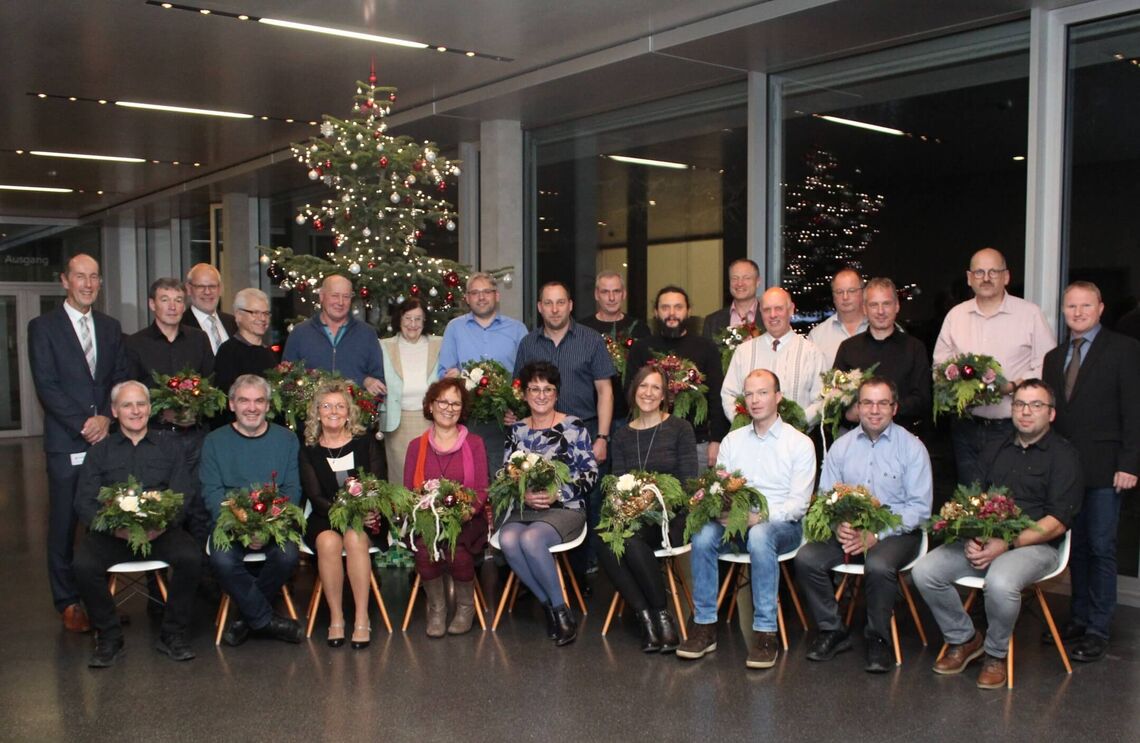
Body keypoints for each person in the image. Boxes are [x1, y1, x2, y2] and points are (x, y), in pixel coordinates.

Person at [912, 379, 1082, 689]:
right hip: (987, 539)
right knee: (925, 571)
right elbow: (973, 500)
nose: (1026, 412)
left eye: (1036, 405)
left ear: (1051, 413)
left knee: (1000, 582)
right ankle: (964, 638)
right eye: (1020, 404)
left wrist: (1008, 543)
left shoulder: (1064, 455)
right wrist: (973, 536)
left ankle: (995, 654)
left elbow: (1057, 522)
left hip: (1035, 546)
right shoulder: (995, 448)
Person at [678, 369, 816, 669]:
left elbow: (798, 505)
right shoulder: (733, 441)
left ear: (778, 397)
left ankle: (765, 632)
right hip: (736, 523)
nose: (755, 400)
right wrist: (722, 507)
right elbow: (721, 486)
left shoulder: (800, 443)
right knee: (702, 533)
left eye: (763, 393)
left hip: (782, 527)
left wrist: (759, 517)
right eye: (749, 394)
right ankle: (704, 625)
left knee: (760, 534)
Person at [794, 377, 933, 672]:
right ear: (857, 407)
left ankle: (878, 639)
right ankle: (832, 630)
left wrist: (877, 534)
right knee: (806, 558)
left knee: (879, 565)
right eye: (867, 403)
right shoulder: (841, 447)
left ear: (894, 408)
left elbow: (920, 510)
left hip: (897, 532)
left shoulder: (912, 448)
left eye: (882, 403)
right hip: (849, 530)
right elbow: (825, 497)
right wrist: (838, 524)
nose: (874, 410)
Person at [28, 253, 130, 632]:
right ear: (64, 281)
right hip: (66, 441)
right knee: (64, 524)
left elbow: (119, 377)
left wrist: (106, 417)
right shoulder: (43, 327)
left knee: (103, 522)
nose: (88, 284)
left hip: (105, 440)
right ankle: (68, 603)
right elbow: (47, 385)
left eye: (94, 277)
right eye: (80, 277)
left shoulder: (110, 327)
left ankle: (99, 603)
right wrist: (83, 424)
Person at [1041, 281, 1140, 662]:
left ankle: (1098, 628)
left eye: (1086, 306)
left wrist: (1129, 463)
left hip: (1106, 468)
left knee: (1101, 548)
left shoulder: (1124, 349)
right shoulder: (1054, 357)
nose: (1078, 313)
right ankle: (1079, 618)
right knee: (1077, 547)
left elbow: (1134, 410)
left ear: (1100, 308)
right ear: (1063, 311)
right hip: (1067, 472)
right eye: (1071, 306)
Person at [72, 381, 203, 667]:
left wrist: (162, 524)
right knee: (82, 566)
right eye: (127, 405)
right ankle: (109, 637)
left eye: (141, 404)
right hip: (113, 534)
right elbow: (84, 502)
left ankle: (172, 634)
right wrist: (114, 529)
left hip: (161, 532)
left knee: (192, 558)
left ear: (150, 408)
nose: (135, 411)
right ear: (114, 411)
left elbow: (183, 494)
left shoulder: (170, 447)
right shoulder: (99, 452)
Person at [933, 247, 1056, 485]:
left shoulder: (1029, 314)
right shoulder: (956, 316)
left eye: (993, 272)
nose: (986, 278)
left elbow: (1047, 364)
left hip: (1013, 427)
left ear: (1006, 276)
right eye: (979, 272)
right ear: (969, 278)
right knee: (971, 497)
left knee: (1010, 498)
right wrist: (956, 389)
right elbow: (940, 366)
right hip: (966, 427)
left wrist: (1013, 386)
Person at [596, 365, 697, 652]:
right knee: (603, 538)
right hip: (634, 515)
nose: (648, 393)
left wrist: (654, 500)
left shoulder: (680, 428)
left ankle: (662, 616)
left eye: (655, 388)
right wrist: (626, 503)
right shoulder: (622, 435)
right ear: (634, 391)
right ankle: (647, 618)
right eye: (643, 386)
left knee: (629, 540)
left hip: (670, 516)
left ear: (664, 395)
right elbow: (617, 481)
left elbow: (688, 484)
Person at [498, 361, 599, 646]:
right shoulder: (516, 430)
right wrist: (523, 495)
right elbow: (505, 475)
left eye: (548, 389)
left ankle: (561, 611)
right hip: (526, 507)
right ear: (525, 394)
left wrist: (559, 493)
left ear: (557, 394)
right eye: (534, 389)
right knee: (507, 539)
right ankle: (548, 605)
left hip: (566, 507)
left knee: (531, 539)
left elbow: (591, 474)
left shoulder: (573, 426)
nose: (541, 395)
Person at [200, 374, 305, 646]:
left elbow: (292, 490)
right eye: (244, 400)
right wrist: (243, 528)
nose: (252, 407)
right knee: (222, 561)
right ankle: (266, 621)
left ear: (268, 405)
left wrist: (266, 528)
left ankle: (246, 620)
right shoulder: (214, 441)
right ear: (232, 404)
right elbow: (212, 493)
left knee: (288, 556)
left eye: (259, 401)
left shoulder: (286, 439)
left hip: (275, 523)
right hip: (229, 524)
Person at [300, 380, 388, 649]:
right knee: (328, 542)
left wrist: (365, 511)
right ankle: (336, 617)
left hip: (367, 514)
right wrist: (345, 514)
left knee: (354, 537)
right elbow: (315, 495)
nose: (333, 411)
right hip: (325, 515)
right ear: (317, 412)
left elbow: (378, 483)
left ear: (349, 412)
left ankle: (361, 617)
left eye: (340, 406)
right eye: (326, 406)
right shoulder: (309, 449)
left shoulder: (366, 442)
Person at [403, 378, 490, 637]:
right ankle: (437, 609)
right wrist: (428, 514)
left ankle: (465, 608)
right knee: (425, 547)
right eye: (443, 402)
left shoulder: (475, 443)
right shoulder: (415, 446)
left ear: (462, 409)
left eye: (455, 403)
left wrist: (466, 512)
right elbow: (409, 491)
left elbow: (482, 489)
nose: (449, 408)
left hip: (467, 518)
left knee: (457, 548)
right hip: (427, 517)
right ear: (430, 405)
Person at [125, 277, 215, 503]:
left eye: (178, 300)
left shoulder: (199, 339)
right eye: (165, 300)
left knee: (197, 502)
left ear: (184, 306)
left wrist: (197, 409)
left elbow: (212, 382)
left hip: (196, 436)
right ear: (152, 304)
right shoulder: (135, 344)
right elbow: (129, 391)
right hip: (157, 436)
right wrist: (161, 413)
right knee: (160, 501)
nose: (172, 306)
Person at [626, 285, 729, 468]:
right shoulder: (641, 349)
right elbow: (630, 395)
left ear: (689, 311)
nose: (672, 313)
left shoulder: (706, 348)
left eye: (678, 307)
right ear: (656, 312)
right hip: (649, 441)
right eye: (665, 307)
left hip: (697, 443)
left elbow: (716, 396)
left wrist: (716, 440)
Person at [436, 272, 527, 476]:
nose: (481, 297)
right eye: (475, 293)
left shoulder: (517, 330)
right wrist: (453, 378)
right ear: (467, 298)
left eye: (487, 291)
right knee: (467, 476)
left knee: (503, 478)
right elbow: (444, 373)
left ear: (497, 295)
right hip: (467, 419)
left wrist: (517, 409)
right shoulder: (455, 328)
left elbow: (527, 377)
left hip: (506, 419)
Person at [833, 278, 931, 433]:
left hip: (903, 437)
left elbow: (923, 400)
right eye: (874, 305)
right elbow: (834, 398)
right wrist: (848, 413)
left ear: (897, 306)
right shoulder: (848, 348)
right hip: (856, 437)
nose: (880, 311)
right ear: (864, 309)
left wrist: (882, 411)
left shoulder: (915, 348)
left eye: (886, 304)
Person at [721, 287, 827, 426]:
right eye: (767, 310)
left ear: (791, 310)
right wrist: (746, 425)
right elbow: (729, 394)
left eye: (778, 308)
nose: (772, 315)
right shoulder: (744, 352)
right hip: (751, 436)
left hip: (797, 436)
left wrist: (793, 427)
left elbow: (821, 400)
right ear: (760, 312)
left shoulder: (812, 353)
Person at [282, 274, 386, 396]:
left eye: (346, 296)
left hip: (355, 407)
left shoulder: (367, 333)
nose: (340, 302)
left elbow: (379, 381)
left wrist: (364, 381)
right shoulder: (300, 333)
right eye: (335, 296)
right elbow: (287, 379)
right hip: (311, 407)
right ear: (322, 296)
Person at [380, 298, 441, 485]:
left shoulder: (439, 344)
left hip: (433, 420)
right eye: (408, 318)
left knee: (431, 475)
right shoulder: (384, 346)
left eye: (418, 319)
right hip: (398, 422)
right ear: (399, 319)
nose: (412, 324)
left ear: (425, 321)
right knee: (401, 477)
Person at [578, 270, 650, 426]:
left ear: (624, 294)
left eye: (616, 291)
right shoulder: (582, 329)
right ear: (596, 295)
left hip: (630, 414)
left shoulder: (639, 329)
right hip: (590, 416)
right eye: (605, 292)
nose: (611, 298)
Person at [213, 288, 279, 398]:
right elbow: (225, 397)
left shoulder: (269, 353)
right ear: (238, 315)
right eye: (255, 313)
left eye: (266, 313)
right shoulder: (228, 352)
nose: (262, 318)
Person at [808, 268, 869, 367]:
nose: (845, 297)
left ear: (863, 293)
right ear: (833, 296)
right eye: (839, 292)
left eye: (851, 291)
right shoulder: (817, 336)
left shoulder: (878, 329)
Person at [182, 263, 237, 354]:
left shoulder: (234, 323)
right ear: (189, 289)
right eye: (200, 286)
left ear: (220, 289)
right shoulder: (180, 326)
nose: (207, 292)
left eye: (212, 286)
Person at [702, 258, 762, 338]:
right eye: (735, 278)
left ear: (758, 282)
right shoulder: (712, 322)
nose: (740, 283)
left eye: (746, 278)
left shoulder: (770, 318)